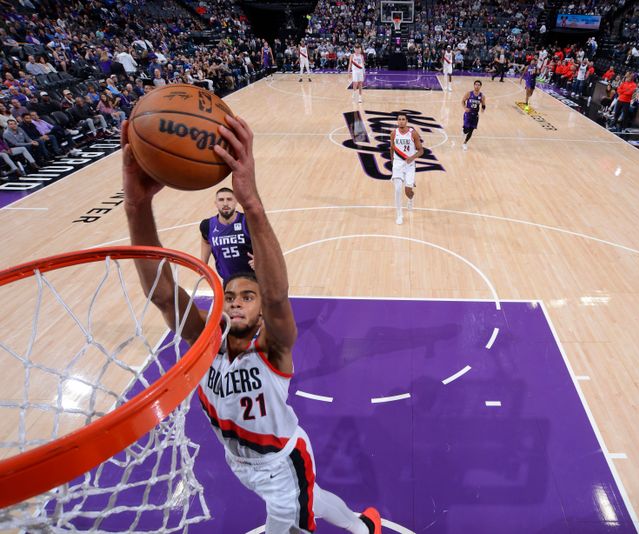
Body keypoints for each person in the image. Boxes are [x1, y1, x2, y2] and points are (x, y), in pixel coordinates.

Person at [122, 116, 382, 534]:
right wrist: (136, 204)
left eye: (249, 297)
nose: (238, 303)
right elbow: (163, 294)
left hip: (282, 461)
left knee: (292, 517)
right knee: (311, 501)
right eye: (231, 297)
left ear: (261, 313)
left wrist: (253, 203)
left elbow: (278, 296)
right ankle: (363, 526)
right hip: (239, 462)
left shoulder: (273, 350)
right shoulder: (204, 342)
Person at [200, 187, 255, 281]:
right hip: (228, 281)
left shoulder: (247, 222)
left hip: (253, 279)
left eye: (229, 199)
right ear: (216, 203)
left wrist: (261, 261)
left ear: (236, 201)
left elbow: (266, 244)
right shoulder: (207, 225)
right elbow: (206, 241)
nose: (225, 203)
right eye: (221, 200)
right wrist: (203, 265)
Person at [390, 113, 423, 225]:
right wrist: (392, 163)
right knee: (398, 189)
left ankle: (410, 199)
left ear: (406, 121)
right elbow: (392, 148)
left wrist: (412, 157)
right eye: (399, 119)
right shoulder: (394, 133)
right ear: (397, 121)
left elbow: (421, 150)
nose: (401, 121)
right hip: (397, 164)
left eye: (403, 119)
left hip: (410, 165)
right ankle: (399, 215)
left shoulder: (412, 133)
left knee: (407, 191)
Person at [461, 80, 486, 151]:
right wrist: (465, 108)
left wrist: (483, 109)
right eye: (476, 84)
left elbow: (483, 105)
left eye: (478, 85)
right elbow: (462, 101)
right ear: (474, 85)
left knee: (471, 130)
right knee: (466, 129)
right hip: (468, 114)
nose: (477, 86)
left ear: (480, 86)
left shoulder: (482, 96)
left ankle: (465, 143)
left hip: (475, 115)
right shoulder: (469, 93)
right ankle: (464, 130)